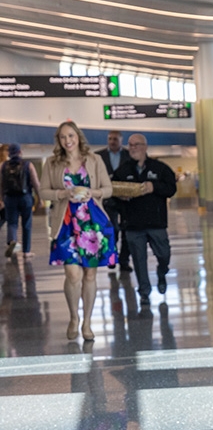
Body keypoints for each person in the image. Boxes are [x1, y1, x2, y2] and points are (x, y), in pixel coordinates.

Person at [40, 121, 117, 341]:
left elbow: (109, 189)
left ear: (78, 136)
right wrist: (62, 194)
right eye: (63, 137)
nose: (68, 141)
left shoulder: (94, 160)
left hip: (92, 222)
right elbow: (44, 191)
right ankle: (74, 317)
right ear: (59, 140)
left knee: (90, 274)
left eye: (71, 136)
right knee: (72, 274)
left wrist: (92, 192)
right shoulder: (53, 163)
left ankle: (88, 322)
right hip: (65, 223)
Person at [112, 134, 177, 307]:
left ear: (145, 147)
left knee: (164, 255)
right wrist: (121, 200)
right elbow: (111, 194)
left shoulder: (160, 168)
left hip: (156, 223)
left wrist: (154, 187)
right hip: (133, 225)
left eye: (137, 145)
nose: (133, 148)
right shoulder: (123, 171)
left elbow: (171, 188)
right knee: (139, 260)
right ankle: (144, 292)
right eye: (130, 145)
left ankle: (162, 272)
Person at [97, 130, 133, 271]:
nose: (112, 141)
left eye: (115, 139)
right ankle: (111, 257)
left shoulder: (128, 156)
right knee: (111, 229)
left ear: (121, 140)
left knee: (127, 231)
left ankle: (124, 260)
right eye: (110, 139)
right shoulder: (98, 156)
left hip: (126, 199)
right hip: (107, 200)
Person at [1, 143, 41, 259]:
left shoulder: (3, 166)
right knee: (26, 224)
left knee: (12, 223)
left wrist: (1, 199)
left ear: (9, 153)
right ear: (20, 152)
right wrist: (40, 199)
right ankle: (26, 251)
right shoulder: (28, 165)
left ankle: (12, 240)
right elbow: (36, 183)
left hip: (9, 198)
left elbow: (0, 184)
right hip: (25, 198)